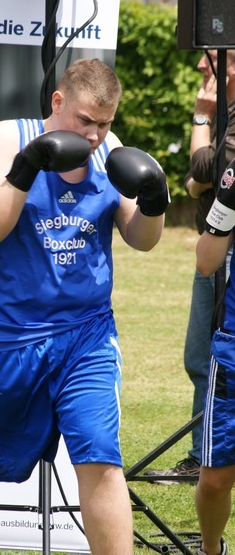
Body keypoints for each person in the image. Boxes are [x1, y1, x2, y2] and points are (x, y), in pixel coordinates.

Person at [0, 58, 169, 555]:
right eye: (85, 121)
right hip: (9, 337)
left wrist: (154, 204)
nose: (96, 135)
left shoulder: (109, 153)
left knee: (100, 456)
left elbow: (142, 240)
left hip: (87, 335)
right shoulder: (5, 138)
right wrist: (27, 167)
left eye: (105, 123)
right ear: (58, 103)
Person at [145, 49, 235, 485]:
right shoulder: (230, 113)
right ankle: (205, 457)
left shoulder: (228, 117)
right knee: (203, 358)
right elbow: (199, 178)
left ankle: (205, 461)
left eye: (214, 57)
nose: (203, 65)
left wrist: (202, 116)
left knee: (206, 358)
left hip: (224, 255)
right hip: (217, 248)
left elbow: (204, 172)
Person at [192, 155, 235, 555]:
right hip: (234, 348)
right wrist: (226, 204)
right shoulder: (234, 175)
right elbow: (206, 262)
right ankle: (211, 550)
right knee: (215, 480)